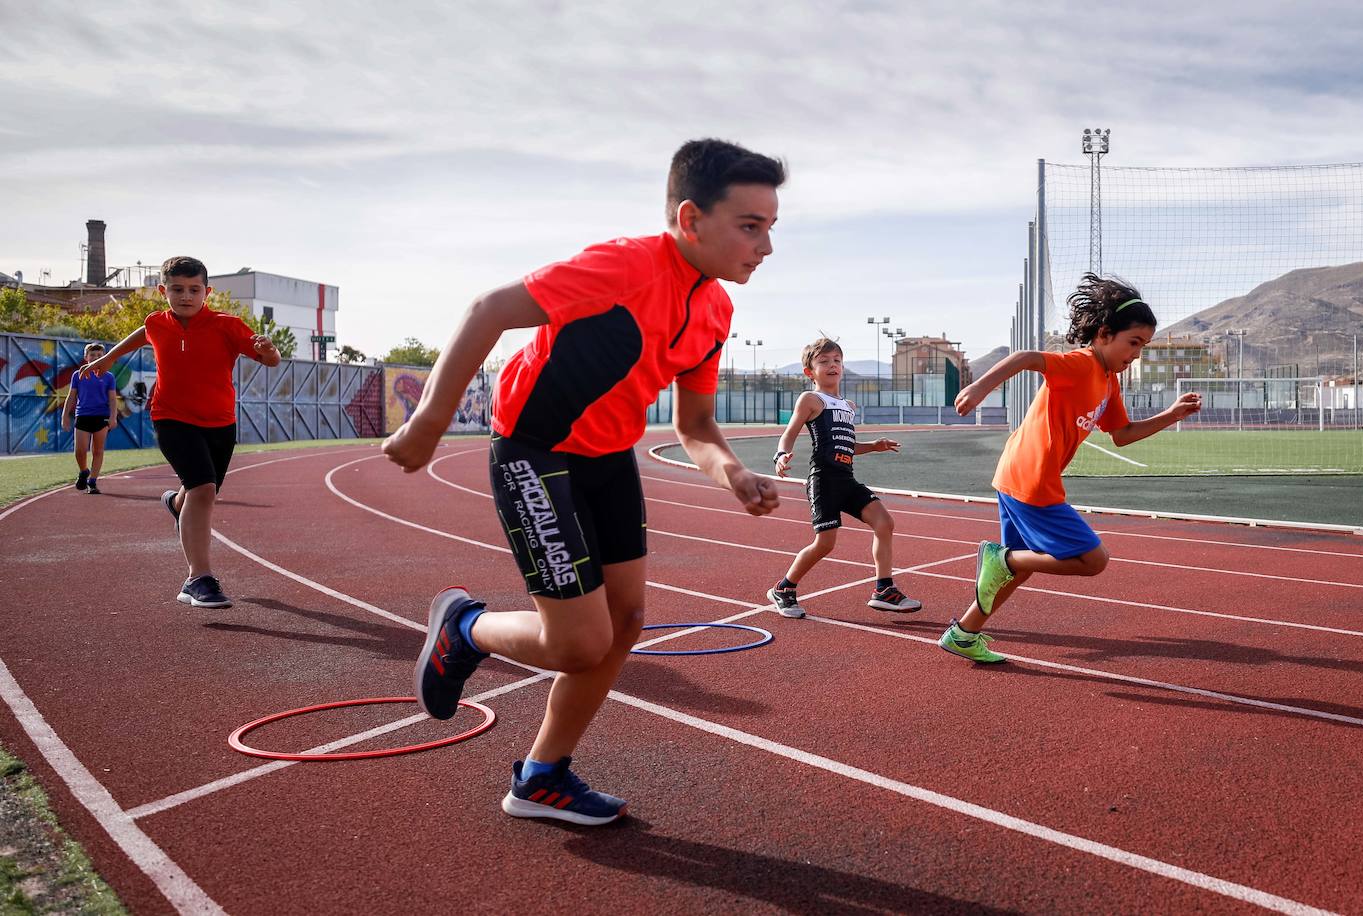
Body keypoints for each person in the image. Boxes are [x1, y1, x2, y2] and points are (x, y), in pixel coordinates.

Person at [384, 138, 786, 826]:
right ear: (690, 218)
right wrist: (431, 418)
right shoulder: (623, 265)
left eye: (771, 228)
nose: (766, 247)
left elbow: (694, 427)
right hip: (535, 451)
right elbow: (489, 309)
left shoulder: (716, 311)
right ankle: (467, 627)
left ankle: (542, 775)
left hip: (608, 459)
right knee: (576, 642)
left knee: (624, 624)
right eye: (751, 226)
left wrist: (734, 474)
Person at [940, 273, 1202, 663]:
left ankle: (964, 633)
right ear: (1103, 334)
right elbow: (1027, 358)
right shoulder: (1080, 364)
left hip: (1019, 474)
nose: (1137, 354)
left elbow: (1123, 434)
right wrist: (980, 387)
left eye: (1143, 346)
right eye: (1133, 343)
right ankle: (1002, 559)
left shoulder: (1109, 382)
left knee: (1023, 567)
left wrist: (1170, 414)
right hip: (1031, 479)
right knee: (1092, 559)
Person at [80, 256, 281, 609]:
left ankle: (175, 503)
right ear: (163, 290)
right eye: (177, 289)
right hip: (171, 419)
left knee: (200, 493)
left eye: (193, 290)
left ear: (207, 291)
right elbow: (144, 332)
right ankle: (198, 579)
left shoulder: (228, 325)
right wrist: (109, 357)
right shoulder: (157, 322)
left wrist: (270, 351)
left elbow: (270, 360)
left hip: (220, 423)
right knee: (203, 489)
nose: (185, 296)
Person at [766, 337, 922, 618]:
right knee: (825, 543)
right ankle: (784, 588)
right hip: (823, 479)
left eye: (836, 360)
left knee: (884, 523)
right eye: (823, 361)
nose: (832, 365)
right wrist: (780, 455)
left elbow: (846, 446)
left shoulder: (848, 405)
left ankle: (884, 589)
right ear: (809, 372)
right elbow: (789, 433)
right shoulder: (810, 399)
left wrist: (873, 447)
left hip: (846, 478)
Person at [61, 342, 119, 494]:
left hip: (101, 417)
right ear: (86, 357)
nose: (96, 357)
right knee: (80, 451)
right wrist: (65, 416)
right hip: (82, 416)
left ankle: (92, 482)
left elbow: (113, 399)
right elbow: (71, 396)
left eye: (100, 355)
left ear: (104, 357)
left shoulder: (108, 377)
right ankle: (84, 471)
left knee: (97, 451)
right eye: (92, 355)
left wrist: (113, 417)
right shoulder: (77, 375)